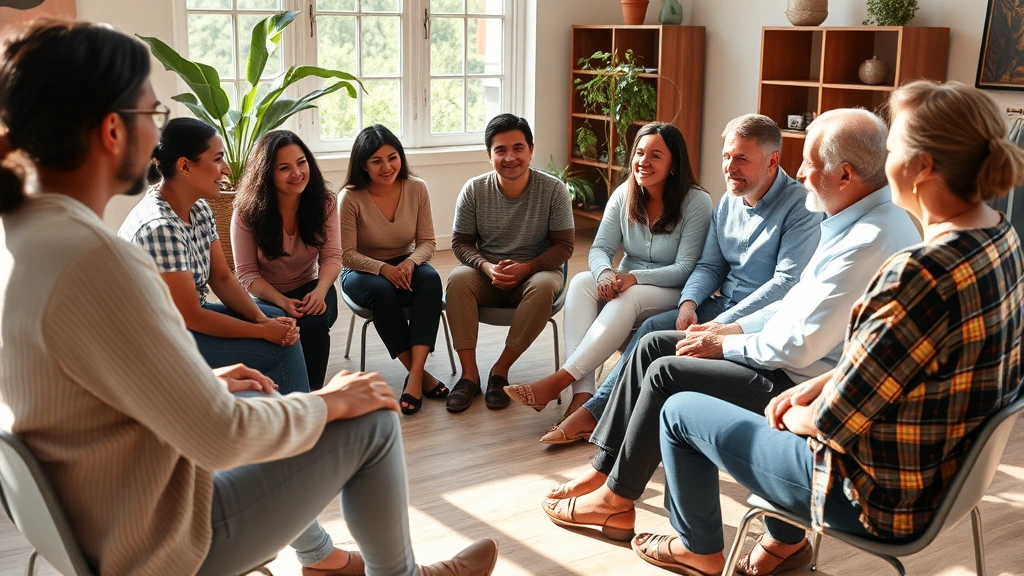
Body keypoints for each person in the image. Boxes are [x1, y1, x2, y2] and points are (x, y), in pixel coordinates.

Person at [0, 21, 497, 576]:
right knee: (372, 416)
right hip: (157, 538)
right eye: (152, 114)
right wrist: (330, 401)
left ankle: (323, 560)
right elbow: (217, 438)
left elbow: (86, 395)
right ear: (113, 130)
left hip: (100, 511)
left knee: (261, 393)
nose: (157, 134)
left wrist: (202, 383)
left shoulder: (23, 238)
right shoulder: (99, 261)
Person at [631, 81, 1024, 576]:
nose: (881, 161)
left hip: (875, 496)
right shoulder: (999, 239)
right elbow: (894, 364)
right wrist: (819, 384)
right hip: (948, 475)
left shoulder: (916, 275)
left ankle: (700, 550)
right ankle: (779, 544)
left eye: (892, 148)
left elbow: (829, 423)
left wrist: (787, 411)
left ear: (921, 167)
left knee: (680, 410)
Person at [541, 108, 923, 545]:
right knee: (654, 346)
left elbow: (797, 344)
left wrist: (726, 344)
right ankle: (605, 474)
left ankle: (617, 501)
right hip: (780, 351)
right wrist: (727, 331)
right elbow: (793, 302)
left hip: (801, 381)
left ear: (846, 175)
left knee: (667, 370)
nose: (800, 171)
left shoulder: (865, 240)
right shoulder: (851, 224)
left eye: (810, 163)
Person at [539, 114, 822, 444]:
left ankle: (594, 415)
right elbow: (709, 268)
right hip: (720, 306)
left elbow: (785, 284)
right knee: (651, 329)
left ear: (773, 160)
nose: (730, 167)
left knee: (655, 335)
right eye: (726, 157)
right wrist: (689, 305)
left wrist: (720, 324)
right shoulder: (729, 202)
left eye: (742, 159)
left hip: (760, 319)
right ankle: (601, 411)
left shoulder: (800, 206)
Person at [504, 123, 713, 424]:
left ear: (674, 164)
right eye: (639, 153)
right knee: (581, 282)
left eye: (655, 155)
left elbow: (685, 269)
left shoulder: (697, 202)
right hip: (627, 283)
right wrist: (604, 275)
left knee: (628, 299)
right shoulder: (624, 193)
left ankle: (558, 381)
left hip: (672, 288)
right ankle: (583, 396)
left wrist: (634, 278)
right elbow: (600, 247)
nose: (644, 161)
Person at [119, 117, 310, 394]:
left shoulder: (197, 208)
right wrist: (262, 331)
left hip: (183, 320)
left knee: (276, 317)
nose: (226, 169)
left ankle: (276, 414)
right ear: (185, 166)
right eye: (218, 159)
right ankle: (302, 425)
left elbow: (220, 277)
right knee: (281, 348)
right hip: (155, 340)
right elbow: (191, 316)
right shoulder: (159, 227)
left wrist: (261, 320)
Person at [444, 114, 575, 413]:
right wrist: (486, 267)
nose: (510, 157)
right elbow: (460, 243)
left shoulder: (553, 190)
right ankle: (468, 376)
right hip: (488, 276)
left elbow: (565, 246)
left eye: (518, 148)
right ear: (489, 155)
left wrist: (527, 268)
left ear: (531, 149)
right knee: (457, 278)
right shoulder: (474, 190)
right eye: (500, 149)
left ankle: (499, 372)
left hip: (535, 274)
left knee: (543, 286)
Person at [339, 124, 447, 416]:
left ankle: (415, 375)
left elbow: (427, 242)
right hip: (361, 271)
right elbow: (346, 254)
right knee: (381, 290)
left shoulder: (416, 187)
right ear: (363, 164)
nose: (387, 167)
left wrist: (410, 262)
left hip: (405, 263)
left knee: (431, 279)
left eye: (392, 157)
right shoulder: (350, 197)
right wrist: (383, 269)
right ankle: (418, 375)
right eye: (377, 161)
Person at [232, 130, 342, 391]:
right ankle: (283, 398)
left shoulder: (325, 203)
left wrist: (320, 291)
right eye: (284, 168)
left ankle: (312, 398)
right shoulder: (246, 213)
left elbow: (332, 257)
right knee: (285, 331)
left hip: (312, 287)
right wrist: (282, 301)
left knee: (314, 323)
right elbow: (246, 274)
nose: (297, 173)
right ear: (267, 174)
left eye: (301, 163)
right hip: (267, 296)